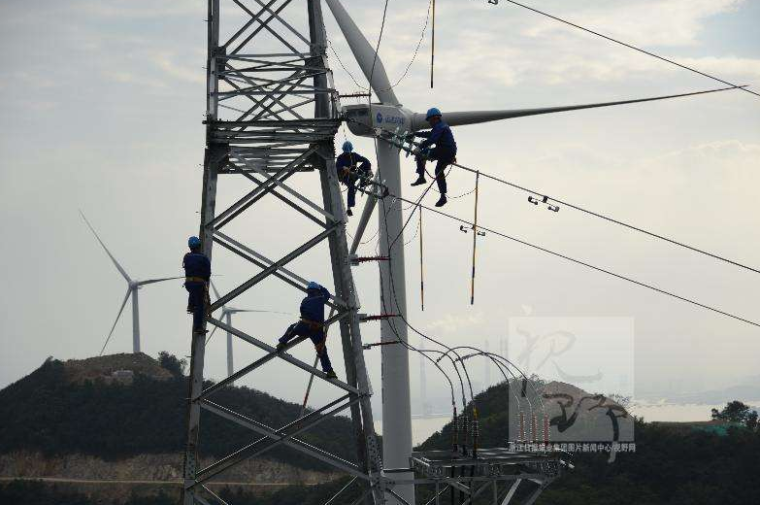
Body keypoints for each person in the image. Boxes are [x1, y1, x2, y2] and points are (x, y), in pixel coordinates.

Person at [277, 281, 337, 379]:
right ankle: (329, 371)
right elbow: (327, 294)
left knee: (292, 329)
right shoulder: (321, 298)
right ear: (317, 291)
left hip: (304, 325)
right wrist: (321, 287)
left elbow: (301, 310)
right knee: (322, 350)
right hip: (317, 329)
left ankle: (282, 343)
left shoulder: (305, 300)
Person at [410, 107, 457, 207]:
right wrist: (415, 134)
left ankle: (421, 177)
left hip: (443, 151)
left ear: (434, 118)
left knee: (421, 154)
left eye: (430, 120)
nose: (429, 123)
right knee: (438, 171)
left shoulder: (440, 127)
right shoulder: (441, 127)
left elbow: (432, 139)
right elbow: (429, 134)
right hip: (449, 152)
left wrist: (420, 147)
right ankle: (443, 196)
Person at [335, 140, 372, 216]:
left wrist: (369, 170)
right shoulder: (340, 158)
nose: (347, 153)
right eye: (346, 152)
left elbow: (365, 160)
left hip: (353, 174)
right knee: (351, 187)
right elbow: (336, 167)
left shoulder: (354, 155)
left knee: (365, 165)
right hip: (345, 177)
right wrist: (343, 168)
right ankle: (349, 208)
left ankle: (363, 183)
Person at [183, 236, 211, 335]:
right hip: (199, 283)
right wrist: (205, 281)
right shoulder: (204, 258)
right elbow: (207, 273)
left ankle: (190, 305)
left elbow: (185, 267)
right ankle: (198, 328)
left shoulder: (186, 256)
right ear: (199, 246)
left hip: (188, 283)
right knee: (199, 305)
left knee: (193, 292)